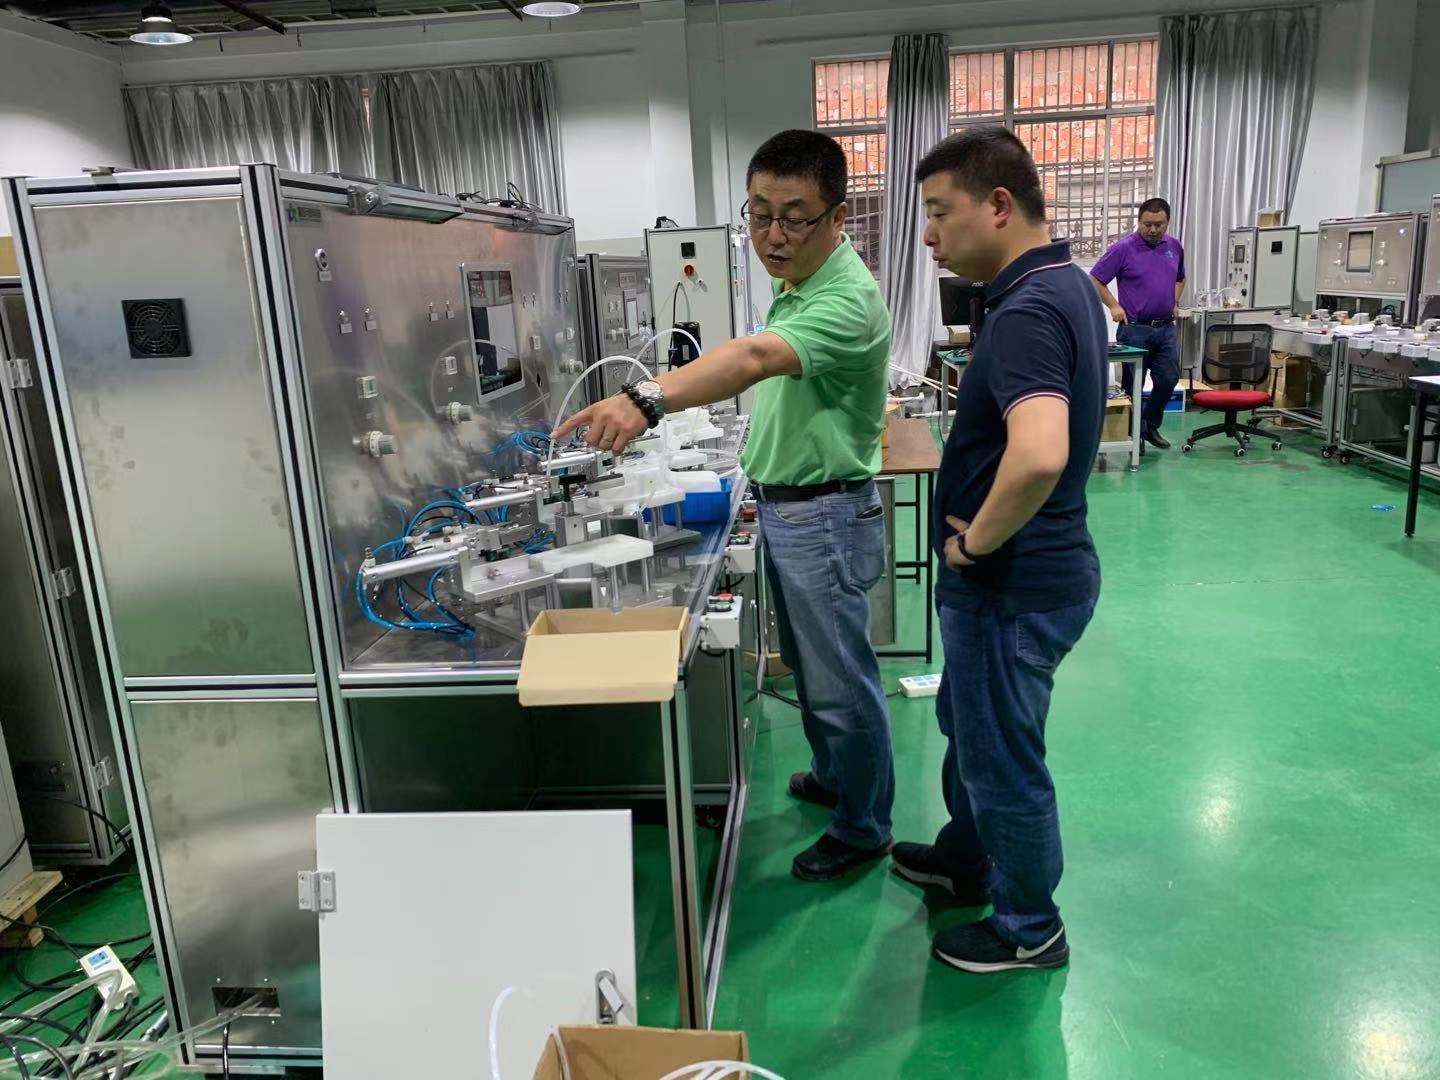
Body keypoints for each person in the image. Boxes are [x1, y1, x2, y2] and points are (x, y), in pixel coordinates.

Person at [553, 129, 895, 882]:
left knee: (841, 682)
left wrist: (646, 399)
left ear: (838, 218)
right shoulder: (802, 282)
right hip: (794, 508)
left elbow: (755, 356)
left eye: (794, 218)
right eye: (760, 214)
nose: (773, 235)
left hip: (824, 516)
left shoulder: (845, 297)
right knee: (812, 670)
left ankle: (866, 825)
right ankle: (836, 778)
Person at [889, 127, 1105, 973]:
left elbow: (1041, 452)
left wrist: (975, 545)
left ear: (1001, 205)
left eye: (941, 213)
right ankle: (966, 860)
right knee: (970, 727)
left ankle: (1029, 927)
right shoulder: (1063, 284)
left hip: (1013, 583)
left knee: (1002, 758)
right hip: (1030, 575)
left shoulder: (1027, 311)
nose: (930, 235)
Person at [1089, 197, 1186, 449]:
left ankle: (1149, 426)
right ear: (1139, 221)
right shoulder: (1123, 248)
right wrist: (1114, 305)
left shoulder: (1174, 247)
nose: (1152, 230)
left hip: (1166, 328)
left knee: (1168, 379)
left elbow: (1180, 278)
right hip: (1135, 329)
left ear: (1167, 222)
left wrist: (1174, 300)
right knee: (1133, 386)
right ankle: (1136, 436)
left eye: (1158, 225)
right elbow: (1095, 279)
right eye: (1147, 224)